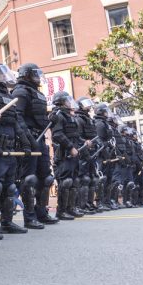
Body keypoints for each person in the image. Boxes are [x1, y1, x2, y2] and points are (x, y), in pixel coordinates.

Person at [0, 61, 31, 238]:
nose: (3, 76)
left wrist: (25, 142)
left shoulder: (8, 95)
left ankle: (7, 223)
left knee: (9, 187)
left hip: (10, 144)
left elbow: (15, 121)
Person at [12, 63, 58, 228]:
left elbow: (37, 116)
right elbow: (17, 116)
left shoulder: (36, 93)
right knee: (29, 179)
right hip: (29, 139)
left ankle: (42, 213)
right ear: (26, 75)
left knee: (46, 178)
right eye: (35, 74)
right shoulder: (20, 91)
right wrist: (27, 138)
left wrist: (49, 119)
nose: (38, 77)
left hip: (40, 139)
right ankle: (29, 217)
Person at [50, 92, 82, 220]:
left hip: (73, 153)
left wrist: (83, 142)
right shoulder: (59, 115)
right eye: (67, 101)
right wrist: (70, 147)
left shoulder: (70, 116)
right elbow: (57, 134)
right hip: (64, 155)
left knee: (74, 181)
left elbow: (74, 134)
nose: (70, 103)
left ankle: (71, 208)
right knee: (66, 182)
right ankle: (61, 211)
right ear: (62, 102)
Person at [75, 96, 100, 214]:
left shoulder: (88, 119)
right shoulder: (78, 119)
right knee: (84, 179)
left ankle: (89, 203)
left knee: (92, 179)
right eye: (85, 104)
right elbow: (77, 136)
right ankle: (82, 205)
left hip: (91, 152)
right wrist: (84, 143)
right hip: (83, 152)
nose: (88, 106)